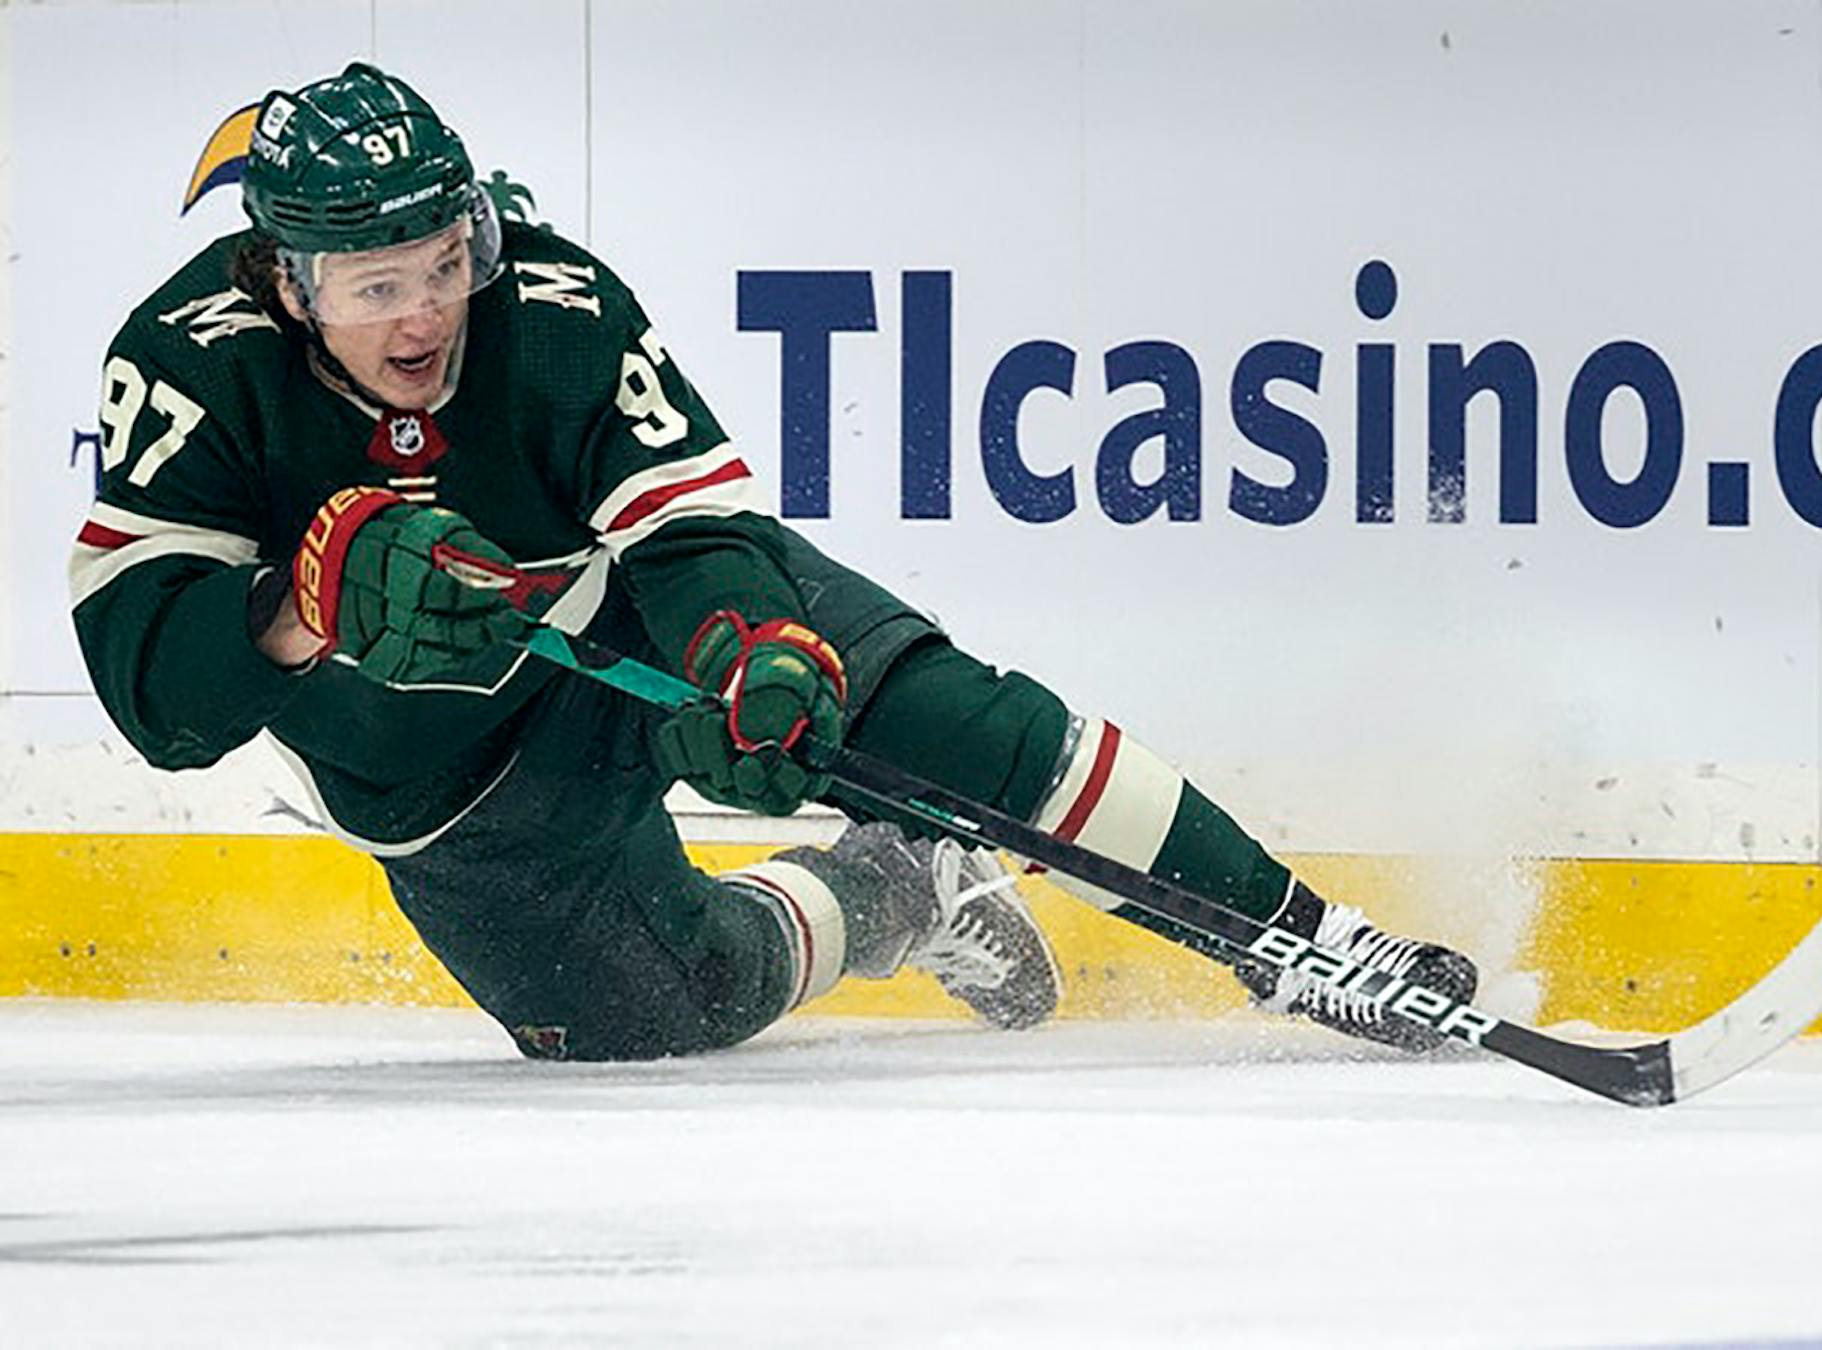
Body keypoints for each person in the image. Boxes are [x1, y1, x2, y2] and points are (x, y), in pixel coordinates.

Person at [71, 63, 1476, 1063]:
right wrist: (295, 610)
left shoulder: (554, 311)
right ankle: (896, 890)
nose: (428, 311)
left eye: (444, 261)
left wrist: (749, 643)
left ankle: (1307, 944)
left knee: (949, 717)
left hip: (622, 608)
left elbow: (691, 537)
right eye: (378, 287)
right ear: (285, 278)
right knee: (652, 1009)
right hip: (442, 774)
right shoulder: (189, 371)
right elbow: (156, 692)